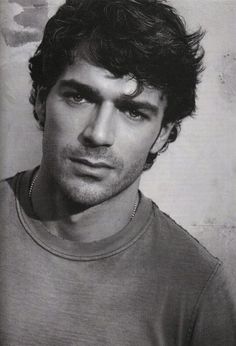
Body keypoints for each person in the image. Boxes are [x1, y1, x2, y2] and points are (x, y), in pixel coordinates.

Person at [0, 0, 235, 345]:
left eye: (133, 112)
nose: (98, 134)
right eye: (79, 97)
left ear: (165, 134)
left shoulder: (196, 287)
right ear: (39, 100)